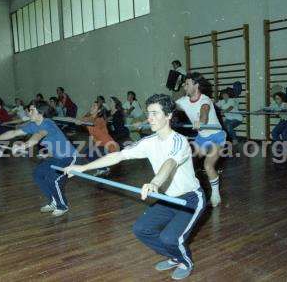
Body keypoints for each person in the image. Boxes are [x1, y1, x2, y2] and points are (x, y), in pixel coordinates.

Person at [63, 94, 205, 280]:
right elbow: (119, 156)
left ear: (169, 115)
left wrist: (154, 183)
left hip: (190, 199)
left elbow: (170, 163)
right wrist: (83, 167)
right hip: (168, 199)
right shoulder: (149, 142)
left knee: (170, 238)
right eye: (148, 113)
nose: (149, 118)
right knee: (141, 229)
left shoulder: (180, 141)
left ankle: (185, 261)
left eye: (155, 113)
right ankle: (173, 256)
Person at [0, 101, 78, 217]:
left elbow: (37, 137)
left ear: (40, 113)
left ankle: (62, 206)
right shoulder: (33, 124)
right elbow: (13, 133)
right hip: (55, 157)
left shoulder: (47, 123)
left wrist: (23, 146)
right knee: (38, 174)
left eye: (32, 110)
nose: (28, 112)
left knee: (53, 179)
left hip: (68, 157)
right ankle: (54, 201)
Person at [176, 72, 226, 207]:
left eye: (187, 84)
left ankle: (215, 194)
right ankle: (192, 194)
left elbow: (204, 113)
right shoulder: (183, 101)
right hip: (201, 138)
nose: (184, 86)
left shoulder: (205, 100)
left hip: (216, 136)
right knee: (187, 164)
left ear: (196, 85)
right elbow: (166, 109)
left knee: (208, 165)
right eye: (184, 84)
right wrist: (147, 120)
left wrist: (201, 121)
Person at [79, 102, 119, 176]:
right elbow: (83, 119)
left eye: (94, 107)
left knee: (89, 153)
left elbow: (91, 121)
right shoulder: (89, 118)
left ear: (99, 110)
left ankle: (103, 168)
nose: (92, 107)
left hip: (109, 145)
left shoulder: (100, 120)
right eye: (91, 106)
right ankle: (102, 168)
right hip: (100, 145)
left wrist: (81, 121)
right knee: (87, 153)